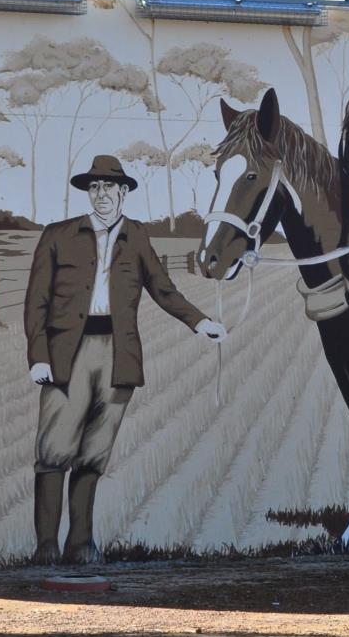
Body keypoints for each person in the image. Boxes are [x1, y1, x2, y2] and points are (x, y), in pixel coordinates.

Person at [24, 155, 227, 564]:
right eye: (93, 188)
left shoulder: (136, 237)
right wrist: (38, 356)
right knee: (53, 452)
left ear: (124, 193)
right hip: (68, 355)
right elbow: (36, 302)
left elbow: (163, 289)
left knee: (93, 454)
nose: (101, 195)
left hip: (119, 356)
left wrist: (200, 322)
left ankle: (80, 545)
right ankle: (45, 546)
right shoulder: (58, 236)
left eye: (108, 187)